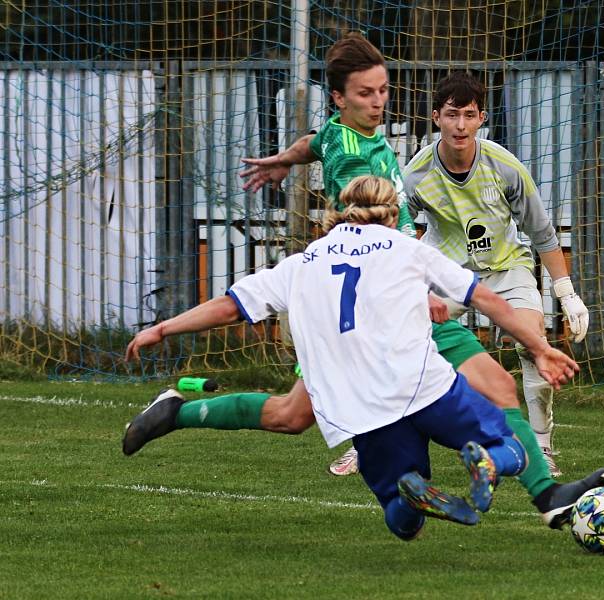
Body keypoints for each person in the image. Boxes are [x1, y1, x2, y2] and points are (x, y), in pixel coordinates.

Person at [123, 34, 566, 509]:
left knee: (291, 415)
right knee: (496, 387)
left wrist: (284, 160)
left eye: (382, 90)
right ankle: (548, 496)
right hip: (382, 301)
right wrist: (418, 285)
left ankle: (178, 413)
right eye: (365, 93)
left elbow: (315, 140)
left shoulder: (342, 131)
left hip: (357, 296)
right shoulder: (361, 161)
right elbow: (376, 226)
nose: (378, 103)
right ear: (339, 97)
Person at [124, 175, 604, 539]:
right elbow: (485, 298)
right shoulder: (405, 248)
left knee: (403, 522)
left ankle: (418, 495)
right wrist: (541, 347)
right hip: (421, 384)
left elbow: (231, 306)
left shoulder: (302, 262)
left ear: (338, 212)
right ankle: (498, 463)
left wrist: (162, 327)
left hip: (356, 403)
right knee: (509, 432)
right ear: (392, 209)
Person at [401, 71, 590, 477]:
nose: (461, 125)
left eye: (469, 115)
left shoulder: (506, 168)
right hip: (446, 272)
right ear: (436, 117)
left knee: (531, 343)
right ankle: (376, 442)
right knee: (404, 344)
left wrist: (567, 293)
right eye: (452, 115)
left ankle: (540, 448)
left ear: (482, 118)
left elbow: (542, 234)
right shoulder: (416, 175)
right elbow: (399, 226)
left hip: (506, 269)